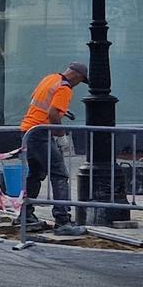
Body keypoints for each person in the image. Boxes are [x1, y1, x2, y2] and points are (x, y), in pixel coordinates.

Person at [19, 63, 88, 236]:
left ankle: (25, 215)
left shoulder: (50, 78)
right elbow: (52, 114)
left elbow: (43, 104)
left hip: (28, 131)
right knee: (59, 174)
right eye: (81, 80)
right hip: (41, 133)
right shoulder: (64, 88)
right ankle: (62, 221)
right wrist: (61, 136)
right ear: (77, 76)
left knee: (35, 174)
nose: (79, 84)